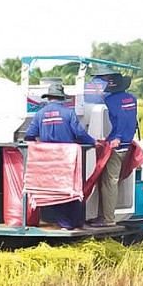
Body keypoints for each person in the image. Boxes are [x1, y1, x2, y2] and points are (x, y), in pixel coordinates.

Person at [25, 82, 97, 230]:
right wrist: (93, 142)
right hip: (66, 159)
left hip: (47, 159)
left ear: (48, 98)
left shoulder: (40, 114)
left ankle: (64, 223)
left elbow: (29, 135)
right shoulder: (68, 113)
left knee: (52, 191)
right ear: (62, 98)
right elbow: (79, 133)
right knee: (70, 189)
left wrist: (37, 147)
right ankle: (73, 223)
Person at [88, 69, 138, 227]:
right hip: (127, 144)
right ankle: (102, 215)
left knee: (110, 181)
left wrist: (117, 137)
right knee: (110, 180)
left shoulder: (110, 101)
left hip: (115, 146)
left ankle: (108, 218)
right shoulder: (132, 99)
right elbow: (129, 118)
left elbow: (120, 118)